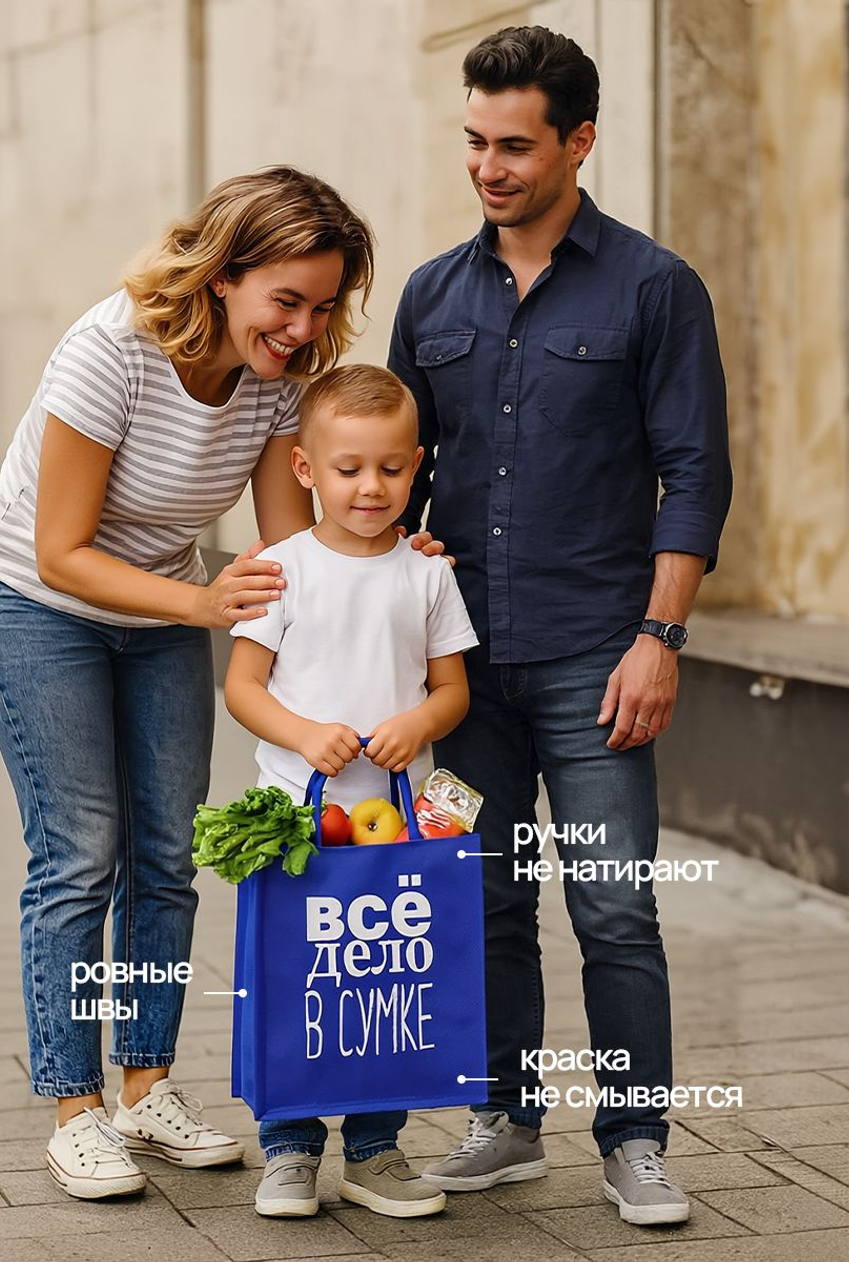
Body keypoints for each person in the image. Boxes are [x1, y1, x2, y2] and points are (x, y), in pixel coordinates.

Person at [0, 167, 446, 1201]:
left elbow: (288, 544)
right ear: (223, 276)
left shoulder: (281, 375)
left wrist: (390, 562)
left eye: (324, 305)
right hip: (36, 609)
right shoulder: (113, 350)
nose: (304, 325)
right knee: (80, 853)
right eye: (287, 299)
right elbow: (59, 551)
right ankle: (75, 1104)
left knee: (168, 855)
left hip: (169, 612)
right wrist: (201, 606)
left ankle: (145, 1086)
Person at [387, 26, 732, 1227]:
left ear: (580, 140)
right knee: (483, 897)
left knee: (612, 902)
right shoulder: (431, 291)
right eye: (475, 141)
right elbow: (395, 464)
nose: (488, 165)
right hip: (463, 663)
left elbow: (693, 474)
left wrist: (661, 637)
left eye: (515, 145)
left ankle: (635, 1136)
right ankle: (504, 1119)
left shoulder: (652, 286)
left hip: (599, 648)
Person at [224, 364, 479, 1219]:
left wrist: (420, 721)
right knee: (303, 977)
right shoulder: (279, 568)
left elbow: (452, 690)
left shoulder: (426, 573)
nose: (372, 487)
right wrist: (301, 734)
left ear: (417, 466)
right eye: (348, 469)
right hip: (298, 819)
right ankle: (291, 1151)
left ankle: (376, 1150)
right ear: (304, 469)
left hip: (396, 824)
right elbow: (244, 688)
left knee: (384, 981)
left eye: (393, 469)